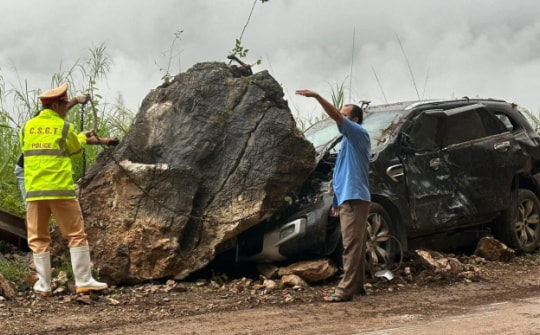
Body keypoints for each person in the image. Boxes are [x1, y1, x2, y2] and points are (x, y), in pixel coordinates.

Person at [19, 83, 116, 296]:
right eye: (64, 103)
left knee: (37, 238)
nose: (65, 107)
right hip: (60, 190)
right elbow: (75, 149)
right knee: (75, 234)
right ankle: (84, 280)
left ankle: (44, 286)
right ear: (55, 105)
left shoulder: (27, 127)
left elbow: (25, 149)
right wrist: (82, 136)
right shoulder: (64, 128)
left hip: (35, 191)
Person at [296, 89, 371, 302]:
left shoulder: (358, 133)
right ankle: (357, 286)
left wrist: (317, 97)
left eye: (345, 116)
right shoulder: (348, 142)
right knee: (356, 242)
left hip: (355, 198)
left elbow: (336, 117)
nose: (340, 118)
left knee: (351, 244)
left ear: (355, 120)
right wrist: (337, 201)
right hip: (349, 197)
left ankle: (345, 290)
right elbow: (341, 176)